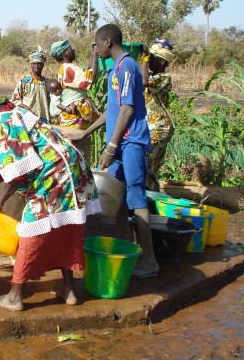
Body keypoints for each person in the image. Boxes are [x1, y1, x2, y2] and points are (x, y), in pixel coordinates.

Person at [0, 72, 101, 312]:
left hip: (54, 174)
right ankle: (69, 290)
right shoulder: (8, 111)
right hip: (72, 168)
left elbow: (22, 169)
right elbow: (21, 155)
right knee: (65, 229)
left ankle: (15, 296)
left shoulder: (0, 123)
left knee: (30, 232)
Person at [67, 24, 159, 279]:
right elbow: (113, 111)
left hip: (130, 143)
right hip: (121, 144)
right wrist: (87, 132)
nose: (96, 49)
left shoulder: (127, 66)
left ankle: (149, 259)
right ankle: (124, 249)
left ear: (108, 42)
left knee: (136, 197)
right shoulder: (115, 70)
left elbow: (128, 111)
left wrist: (111, 147)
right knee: (113, 195)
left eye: (97, 44)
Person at [139, 38, 175, 191]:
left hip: (159, 127)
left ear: (162, 62)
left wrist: (145, 58)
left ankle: (147, 201)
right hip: (153, 126)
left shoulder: (164, 78)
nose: (148, 61)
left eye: (152, 58)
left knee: (146, 165)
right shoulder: (153, 76)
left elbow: (144, 82)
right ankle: (152, 201)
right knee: (150, 168)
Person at [48, 39, 100, 129]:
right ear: (65, 53)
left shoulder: (66, 67)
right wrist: (95, 55)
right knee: (77, 141)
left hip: (72, 117)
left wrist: (92, 54)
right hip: (73, 118)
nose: (73, 50)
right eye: (70, 48)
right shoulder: (68, 68)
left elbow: (87, 73)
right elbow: (91, 78)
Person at [10, 46, 51, 122]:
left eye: (39, 64)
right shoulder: (24, 82)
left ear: (43, 65)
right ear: (31, 65)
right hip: (27, 118)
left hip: (44, 119)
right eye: (34, 63)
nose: (36, 66)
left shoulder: (47, 82)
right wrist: (26, 108)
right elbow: (15, 100)